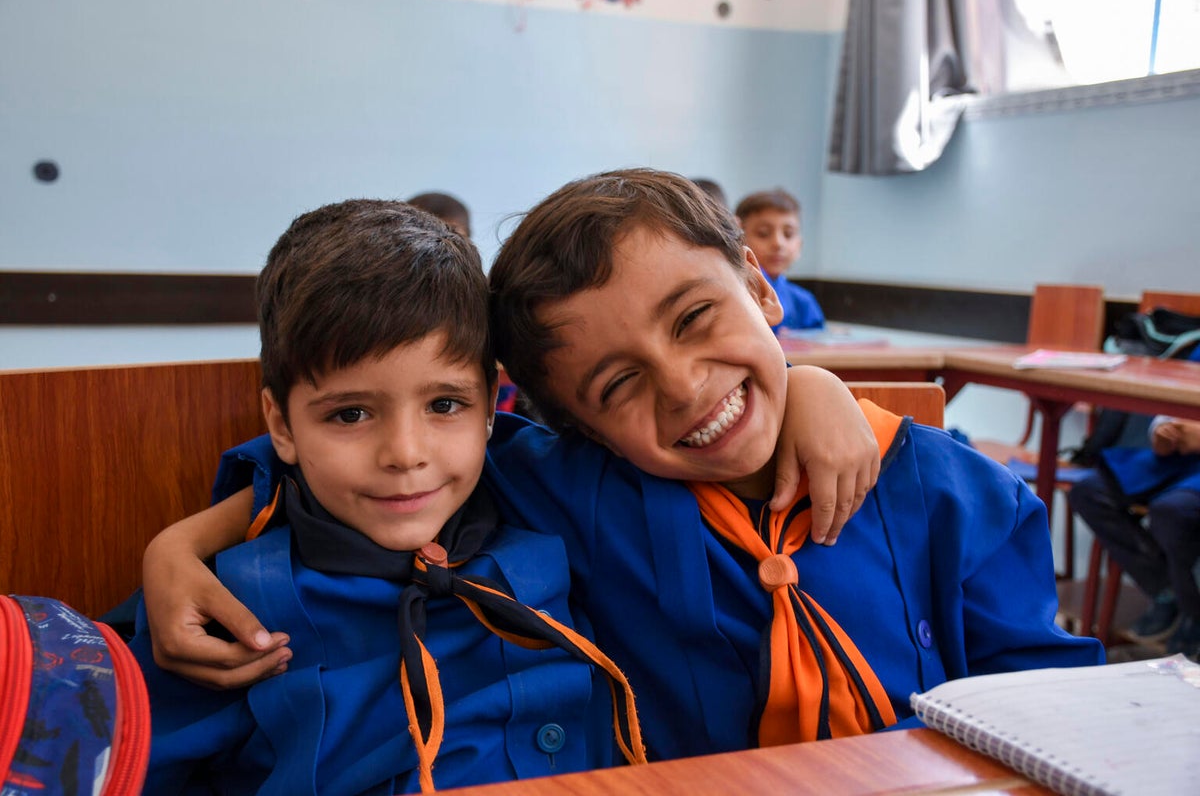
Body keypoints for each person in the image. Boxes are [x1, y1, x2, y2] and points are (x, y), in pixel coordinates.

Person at [143, 169, 1101, 764]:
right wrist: (187, 542)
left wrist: (816, 382)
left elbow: (1049, 706)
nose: (683, 389)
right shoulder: (572, 486)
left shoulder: (942, 484)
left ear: (764, 289)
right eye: (618, 384)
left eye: (696, 320)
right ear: (576, 425)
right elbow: (372, 468)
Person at [127, 200, 649, 794]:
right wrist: (176, 548)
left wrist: (784, 386)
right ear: (281, 425)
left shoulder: (542, 492)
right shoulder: (228, 608)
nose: (404, 453)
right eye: (350, 414)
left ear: (489, 405)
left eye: (445, 405)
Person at [1068, 415, 1200, 659]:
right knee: (1088, 493)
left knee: (1172, 512)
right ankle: (1167, 588)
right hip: (1179, 460)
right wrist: (1163, 430)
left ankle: (1193, 610)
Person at [734, 188, 824, 333]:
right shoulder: (736, 296)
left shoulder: (803, 301)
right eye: (763, 234)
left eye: (788, 234)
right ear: (739, 241)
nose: (778, 243)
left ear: (799, 245)